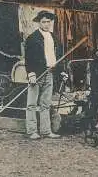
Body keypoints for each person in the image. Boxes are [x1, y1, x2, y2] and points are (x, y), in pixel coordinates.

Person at [24, 10, 63, 140]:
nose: (46, 24)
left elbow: (58, 56)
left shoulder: (54, 38)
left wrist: (61, 70)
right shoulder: (32, 38)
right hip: (37, 74)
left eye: (48, 22)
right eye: (44, 22)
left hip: (49, 73)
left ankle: (46, 131)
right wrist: (31, 74)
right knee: (32, 104)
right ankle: (32, 131)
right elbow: (28, 59)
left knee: (45, 104)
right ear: (39, 23)